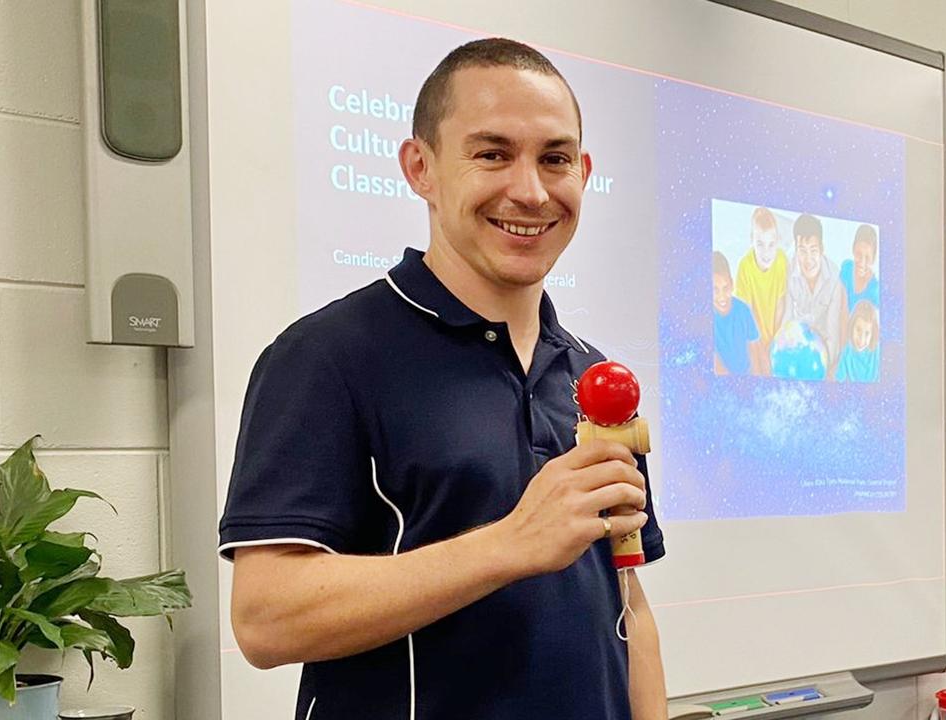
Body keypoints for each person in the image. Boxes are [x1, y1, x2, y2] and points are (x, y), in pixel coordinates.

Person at [218, 39, 667, 720]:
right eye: (492, 154)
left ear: (584, 171)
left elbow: (628, 609)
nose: (530, 190)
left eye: (554, 159)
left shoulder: (592, 377)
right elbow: (264, 619)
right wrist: (510, 544)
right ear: (420, 168)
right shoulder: (328, 356)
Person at [781, 213, 846, 373]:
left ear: (822, 249)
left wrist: (823, 370)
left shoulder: (834, 279)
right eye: (802, 251)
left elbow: (833, 333)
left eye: (813, 250)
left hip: (822, 342)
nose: (808, 259)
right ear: (796, 249)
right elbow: (786, 320)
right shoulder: (787, 271)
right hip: (799, 338)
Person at [733, 206, 787, 375]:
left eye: (771, 245)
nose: (766, 253)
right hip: (752, 336)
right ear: (751, 240)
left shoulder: (781, 260)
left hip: (774, 335)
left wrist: (776, 339)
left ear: (777, 241)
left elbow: (780, 304)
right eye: (760, 244)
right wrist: (761, 345)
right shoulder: (745, 268)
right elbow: (746, 313)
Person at [712, 251, 760, 375]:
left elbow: (754, 350)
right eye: (715, 290)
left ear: (732, 284)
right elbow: (717, 367)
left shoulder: (743, 310)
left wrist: (756, 380)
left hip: (747, 376)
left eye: (725, 288)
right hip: (726, 384)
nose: (722, 297)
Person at [835, 299, 880, 382]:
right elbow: (838, 381)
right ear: (852, 326)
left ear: (873, 334)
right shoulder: (846, 353)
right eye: (858, 330)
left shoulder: (878, 354)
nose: (861, 339)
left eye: (867, 333)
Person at [840, 224, 880, 313]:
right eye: (858, 254)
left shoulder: (875, 290)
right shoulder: (847, 267)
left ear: (873, 259)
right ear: (853, 249)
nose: (862, 263)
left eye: (867, 258)